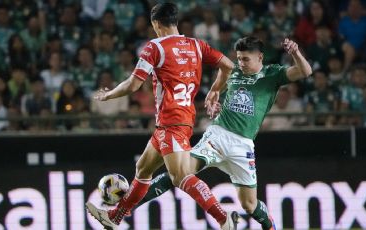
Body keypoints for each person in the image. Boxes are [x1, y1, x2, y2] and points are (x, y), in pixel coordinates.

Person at [132, 36, 312, 230]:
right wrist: (214, 92)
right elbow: (223, 77)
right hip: (218, 135)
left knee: (249, 205)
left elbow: (305, 71)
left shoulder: (272, 74)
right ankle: (126, 207)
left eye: (246, 59)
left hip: (243, 145)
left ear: (260, 57)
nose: (241, 63)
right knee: (180, 173)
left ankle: (269, 225)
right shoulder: (234, 71)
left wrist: (295, 53)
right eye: (239, 58)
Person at [85, 3, 238, 230]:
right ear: (175, 21)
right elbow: (228, 66)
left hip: (172, 121)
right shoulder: (197, 45)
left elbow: (133, 85)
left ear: (155, 24)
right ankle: (114, 217)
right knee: (143, 170)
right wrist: (216, 89)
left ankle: (223, 219)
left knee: (181, 177)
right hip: (175, 120)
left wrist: (109, 95)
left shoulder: (154, 47)